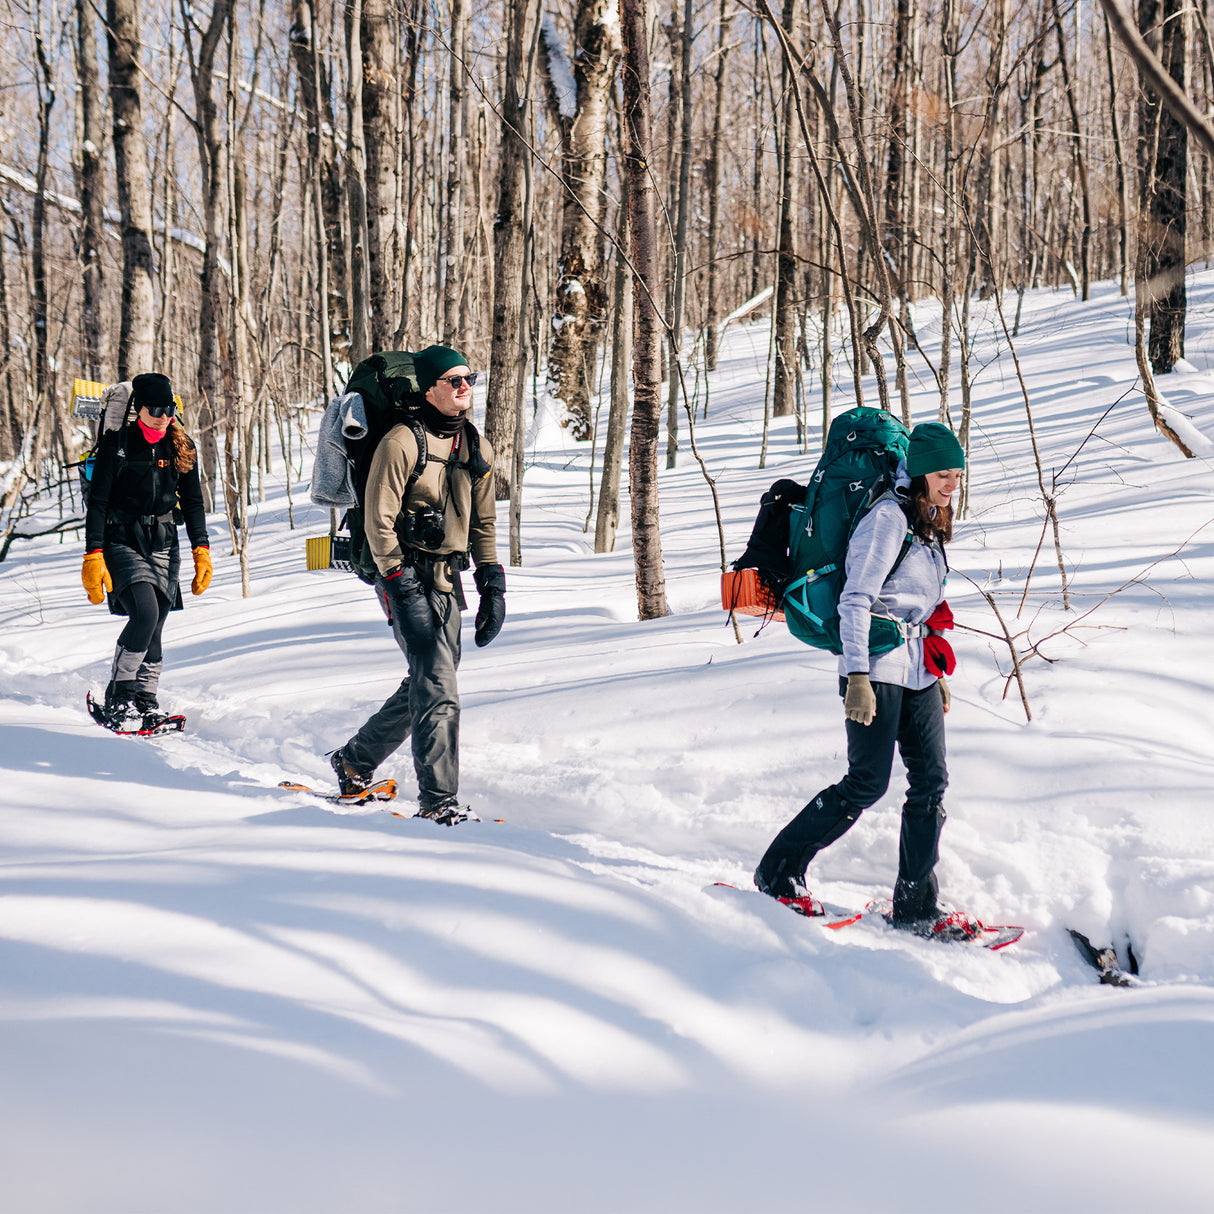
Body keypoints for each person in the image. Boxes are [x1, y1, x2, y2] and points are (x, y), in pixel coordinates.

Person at [753, 422, 969, 935]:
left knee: (932, 784)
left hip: (915, 666)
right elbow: (854, 600)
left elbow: (926, 600)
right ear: (918, 472)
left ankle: (915, 905)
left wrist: (934, 667)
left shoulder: (928, 519)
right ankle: (778, 872)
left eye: (957, 475)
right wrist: (856, 676)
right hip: (874, 666)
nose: (951, 485)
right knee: (867, 782)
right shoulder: (887, 519)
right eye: (942, 474)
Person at [329, 345, 505, 823]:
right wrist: (400, 584)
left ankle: (354, 760)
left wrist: (492, 581)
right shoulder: (401, 442)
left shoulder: (477, 446)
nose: (464, 386)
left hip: (449, 576)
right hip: (401, 571)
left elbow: (485, 522)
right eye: (453, 380)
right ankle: (439, 801)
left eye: (468, 377)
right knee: (438, 684)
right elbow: (376, 519)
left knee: (429, 681)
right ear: (429, 388)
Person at [81, 372, 211, 729]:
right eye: (154, 408)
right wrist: (93, 554)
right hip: (121, 539)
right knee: (145, 614)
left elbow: (195, 502)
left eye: (168, 408)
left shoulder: (181, 446)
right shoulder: (116, 444)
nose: (162, 416)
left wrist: (202, 549)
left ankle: (146, 699)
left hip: (164, 543)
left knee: (157, 624)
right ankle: (119, 698)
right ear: (138, 409)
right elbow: (99, 502)